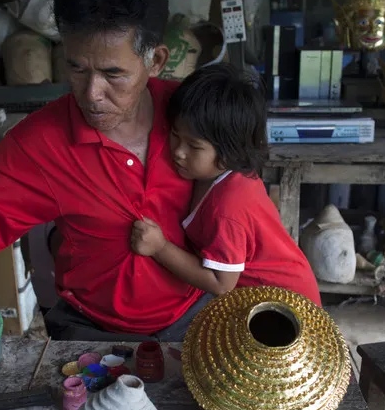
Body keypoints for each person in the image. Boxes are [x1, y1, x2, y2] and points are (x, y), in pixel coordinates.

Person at [0, 0, 210, 340]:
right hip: (89, 330)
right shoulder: (41, 141)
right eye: (78, 69)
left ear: (156, 60)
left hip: (194, 318)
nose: (92, 94)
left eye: (113, 74)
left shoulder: (198, 117)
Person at [129, 65, 321, 306]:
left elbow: (221, 283)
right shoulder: (214, 175)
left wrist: (160, 248)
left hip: (288, 306)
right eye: (175, 135)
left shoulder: (229, 207)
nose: (178, 152)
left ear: (230, 152)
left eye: (194, 146)